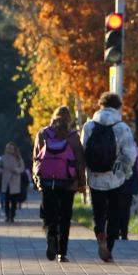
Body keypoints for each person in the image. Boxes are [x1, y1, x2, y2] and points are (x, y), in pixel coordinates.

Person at [81, 92, 138, 262]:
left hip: (95, 177)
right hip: (116, 178)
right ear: (118, 106)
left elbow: (83, 150)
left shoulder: (89, 126)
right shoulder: (122, 127)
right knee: (115, 213)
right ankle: (110, 246)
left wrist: (84, 174)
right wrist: (126, 173)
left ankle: (99, 231)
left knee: (98, 211)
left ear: (101, 105)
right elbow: (129, 155)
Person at [33, 106, 86, 262]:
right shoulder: (73, 137)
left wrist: (37, 179)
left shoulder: (43, 134)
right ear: (69, 120)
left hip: (48, 181)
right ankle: (62, 252)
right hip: (68, 183)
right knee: (65, 216)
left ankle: (51, 238)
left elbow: (36, 158)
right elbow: (79, 162)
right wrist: (82, 183)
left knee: (50, 215)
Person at [117, 144, 138, 242]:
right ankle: (124, 233)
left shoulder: (113, 144)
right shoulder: (134, 148)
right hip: (128, 183)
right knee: (126, 209)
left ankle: (114, 232)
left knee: (114, 208)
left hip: (114, 183)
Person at [0, 142, 26, 223]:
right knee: (7, 200)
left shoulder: (18, 158)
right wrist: (0, 171)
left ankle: (12, 215)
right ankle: (7, 215)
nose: (10, 150)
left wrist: (16, 170)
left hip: (15, 181)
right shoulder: (3, 158)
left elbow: (22, 168)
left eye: (11, 148)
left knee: (14, 201)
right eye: (8, 148)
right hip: (6, 181)